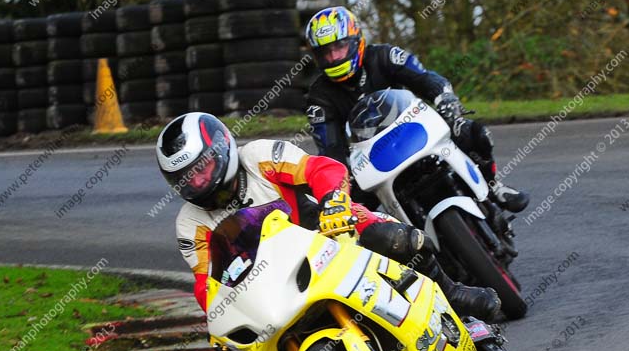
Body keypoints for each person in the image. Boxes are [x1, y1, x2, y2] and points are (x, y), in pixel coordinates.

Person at [155, 112, 500, 322]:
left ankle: (450, 292)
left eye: (202, 168)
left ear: (222, 148)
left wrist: (334, 201)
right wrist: (217, 314)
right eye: (186, 176)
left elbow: (321, 168)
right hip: (270, 286)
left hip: (326, 233)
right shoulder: (190, 223)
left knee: (400, 239)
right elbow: (206, 282)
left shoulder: (258, 156)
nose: (198, 181)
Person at [304, 6, 529, 213]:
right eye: (326, 52)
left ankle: (494, 186)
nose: (334, 57)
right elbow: (329, 146)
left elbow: (425, 78)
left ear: (355, 41)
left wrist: (445, 98)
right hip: (370, 158)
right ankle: (399, 244)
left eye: (339, 47)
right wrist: (341, 175)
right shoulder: (319, 96)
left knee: (471, 132)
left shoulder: (384, 56)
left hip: (411, 130)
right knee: (344, 203)